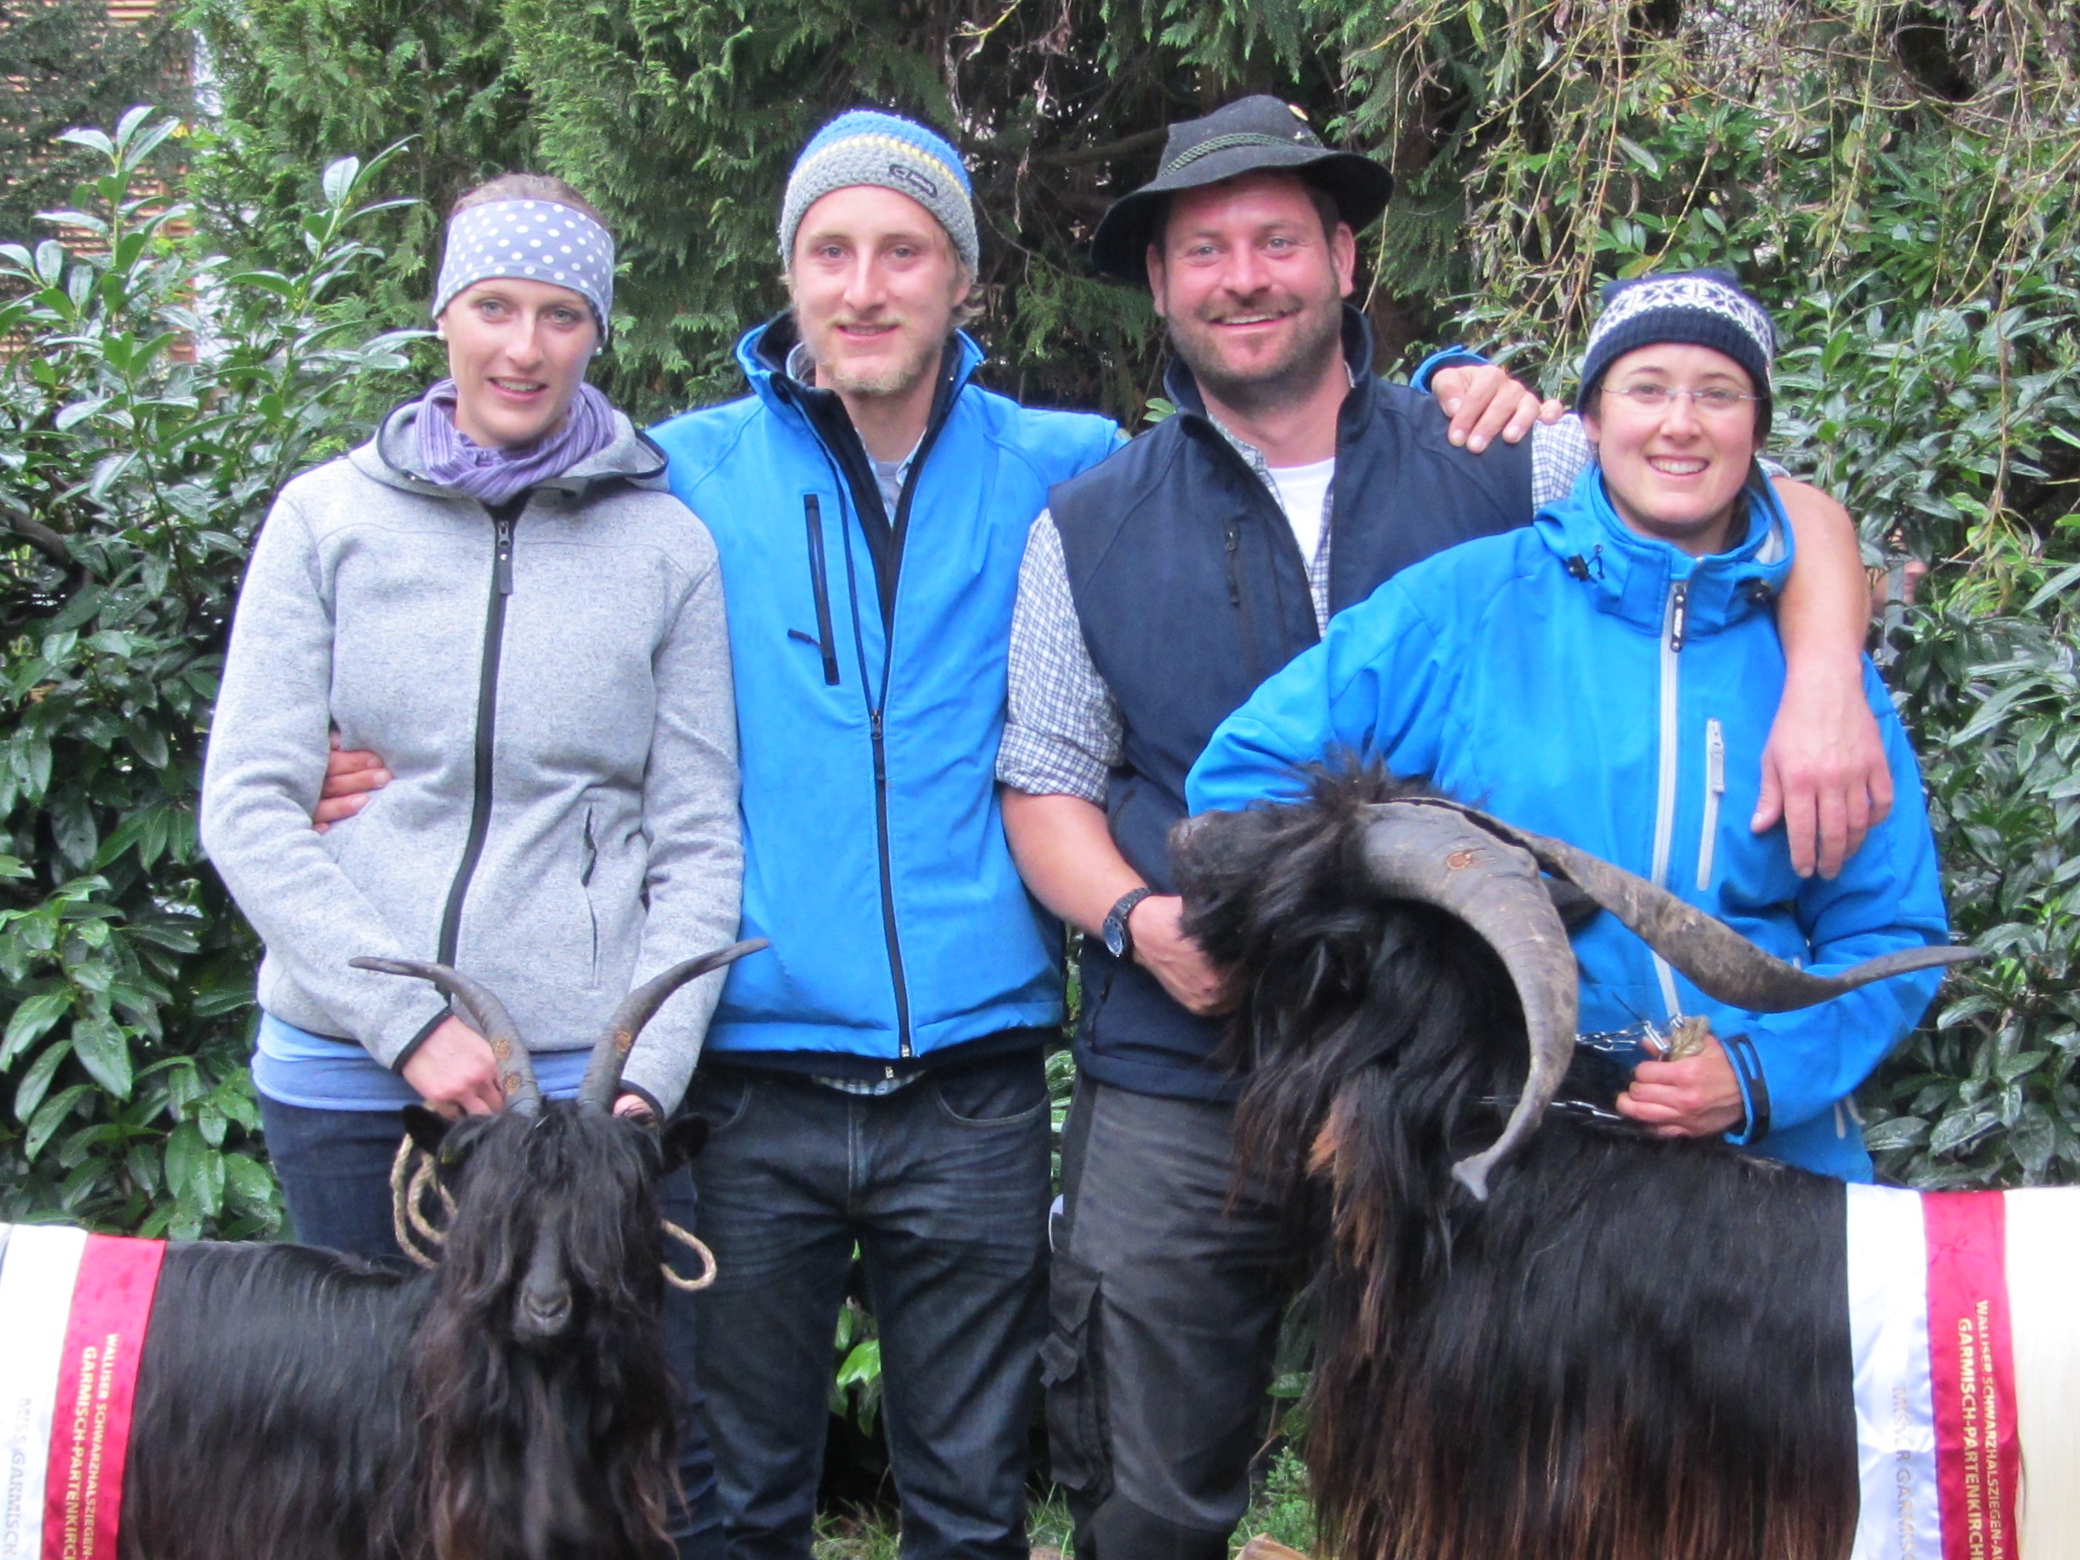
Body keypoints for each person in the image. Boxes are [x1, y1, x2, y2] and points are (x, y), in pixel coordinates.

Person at [311, 113, 1547, 1559]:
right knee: (729, 1499)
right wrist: (401, 763)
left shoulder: (1069, 466)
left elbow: (1295, 440)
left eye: (904, 251)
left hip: (972, 1079)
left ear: (960, 279)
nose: (865, 286)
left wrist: (1470, 384)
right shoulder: (678, 474)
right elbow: (502, 552)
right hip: (751, 1073)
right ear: (789, 277)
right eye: (829, 252)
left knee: (972, 1504)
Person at [995, 99, 1894, 1560]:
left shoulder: (1511, 457)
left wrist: (1828, 666)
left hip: (1462, 1079)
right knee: (1153, 1488)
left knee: (1466, 1472)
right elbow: (1043, 782)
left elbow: (1746, 490)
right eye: (1204, 248)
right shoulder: (1086, 520)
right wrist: (1142, 925)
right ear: (1159, 283)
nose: (1245, 275)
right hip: (1185, 1059)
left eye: (1281, 238)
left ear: (1347, 260)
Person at [198, 174, 742, 1559]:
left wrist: (642, 1090)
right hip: (345, 1076)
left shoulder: (665, 546)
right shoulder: (327, 522)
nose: (525, 346)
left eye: (563, 315)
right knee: (367, 1474)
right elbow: (247, 810)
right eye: (494, 306)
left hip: (575, 1108)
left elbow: (697, 841)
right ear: (443, 314)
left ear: (594, 335)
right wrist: (408, 1025)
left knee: (571, 1484)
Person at [1188, 267, 1948, 1175]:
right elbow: (1238, 789)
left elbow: (1894, 937)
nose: (1680, 422)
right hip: (1517, 1175)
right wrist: (1428, 967)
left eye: (1718, 393)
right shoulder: (1466, 605)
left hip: (1770, 1186)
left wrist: (1756, 1077)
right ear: (1588, 418)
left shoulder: (1820, 677)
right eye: (1647, 388)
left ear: (1756, 430)